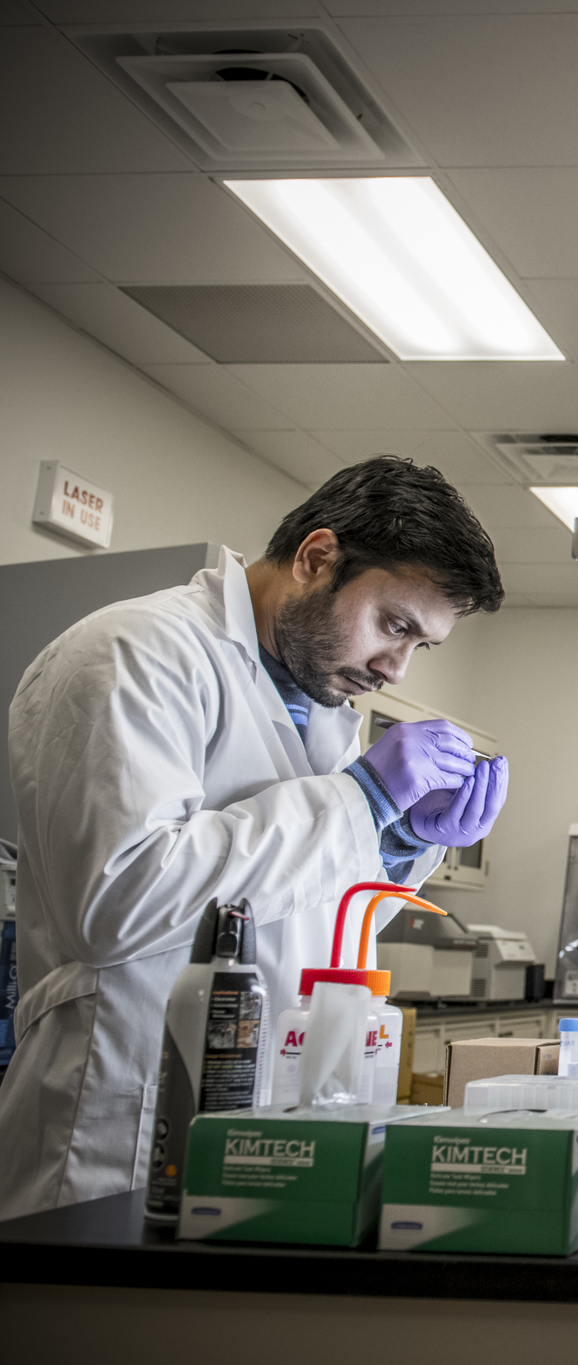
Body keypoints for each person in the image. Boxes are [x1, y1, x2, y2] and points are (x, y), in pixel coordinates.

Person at [0, 457, 512, 1220]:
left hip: (261, 1128)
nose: (394, 666)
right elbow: (116, 905)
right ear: (315, 558)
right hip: (117, 1121)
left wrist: (396, 841)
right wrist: (358, 800)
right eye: (393, 624)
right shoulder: (133, 654)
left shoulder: (327, 707)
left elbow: (301, 917)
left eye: (419, 645)